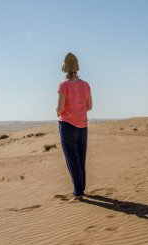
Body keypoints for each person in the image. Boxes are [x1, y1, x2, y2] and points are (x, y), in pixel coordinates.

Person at [56, 52, 93, 201]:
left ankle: (78, 193)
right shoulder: (85, 85)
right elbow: (90, 106)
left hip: (67, 126)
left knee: (72, 159)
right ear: (77, 68)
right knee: (81, 158)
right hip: (82, 126)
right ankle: (81, 188)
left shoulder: (63, 85)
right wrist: (79, 111)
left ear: (65, 69)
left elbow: (60, 108)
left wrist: (60, 112)